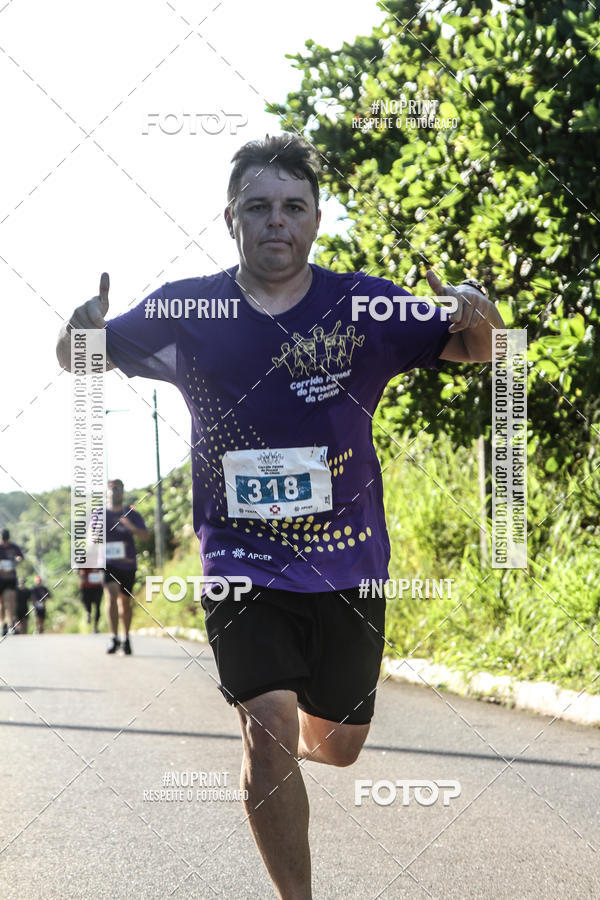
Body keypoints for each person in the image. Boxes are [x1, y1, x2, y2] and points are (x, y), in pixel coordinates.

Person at [56, 134, 505, 899]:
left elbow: (476, 349)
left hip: (349, 563)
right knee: (267, 733)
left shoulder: (362, 304)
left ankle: (300, 711)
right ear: (230, 217)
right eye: (259, 207)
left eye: (293, 208)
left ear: (317, 220)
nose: (276, 223)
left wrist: (481, 312)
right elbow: (79, 358)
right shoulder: (186, 310)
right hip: (241, 563)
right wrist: (81, 325)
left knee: (340, 745)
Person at [90, 480, 148, 655]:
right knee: (111, 595)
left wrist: (131, 527)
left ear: (123, 492)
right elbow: (92, 538)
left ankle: (126, 638)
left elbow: (146, 536)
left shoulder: (132, 513)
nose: (115, 492)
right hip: (108, 563)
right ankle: (114, 637)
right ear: (107, 492)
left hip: (128, 564)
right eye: (112, 489)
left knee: (125, 602)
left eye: (118, 489)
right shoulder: (99, 513)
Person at [0, 529, 24, 636]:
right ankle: (3, 624)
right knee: (2, 603)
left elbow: (20, 557)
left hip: (11, 577)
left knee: (12, 600)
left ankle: (13, 623)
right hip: (1, 578)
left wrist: (17, 560)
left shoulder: (14, 547)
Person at [78, 567, 104, 632]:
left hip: (97, 586)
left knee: (98, 606)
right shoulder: (83, 559)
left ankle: (95, 626)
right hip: (86, 586)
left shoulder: (100, 559)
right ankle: (88, 613)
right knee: (86, 602)